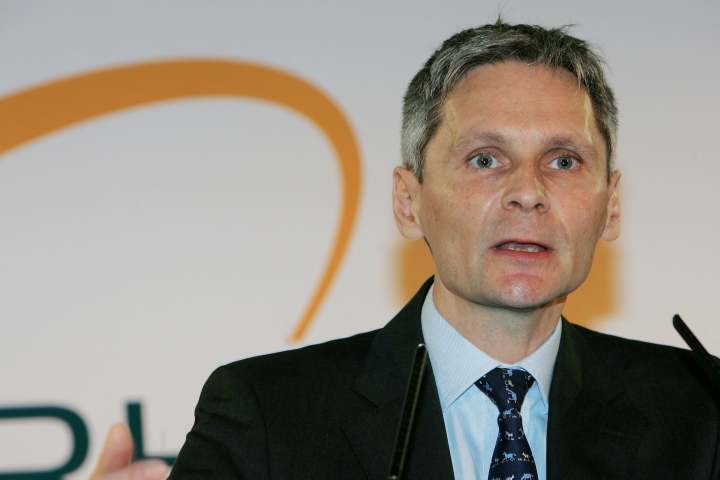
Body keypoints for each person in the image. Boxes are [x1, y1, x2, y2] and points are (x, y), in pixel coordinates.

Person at [91, 19, 720, 480]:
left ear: (610, 205)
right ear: (408, 200)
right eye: (485, 159)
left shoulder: (700, 409)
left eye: (563, 160)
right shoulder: (268, 417)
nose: (528, 193)